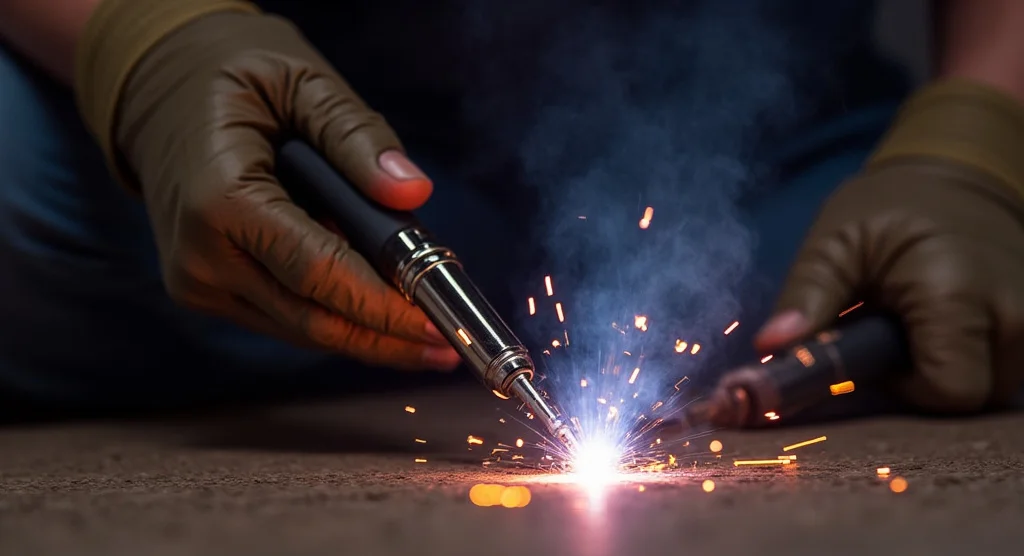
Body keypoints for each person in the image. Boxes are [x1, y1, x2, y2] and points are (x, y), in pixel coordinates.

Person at [0, 0, 1020, 418]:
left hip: (779, 160)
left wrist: (981, 134)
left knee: (939, 279)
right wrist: (139, 42)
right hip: (329, 133)